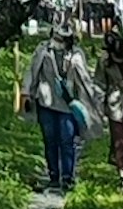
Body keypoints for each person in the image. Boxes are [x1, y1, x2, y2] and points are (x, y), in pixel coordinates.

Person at [19, 24, 93, 193]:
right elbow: (32, 72)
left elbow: (84, 79)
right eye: (57, 37)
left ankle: (67, 177)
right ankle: (53, 176)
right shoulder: (43, 51)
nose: (58, 42)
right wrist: (27, 94)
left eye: (62, 39)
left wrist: (90, 101)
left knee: (67, 140)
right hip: (46, 102)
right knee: (50, 140)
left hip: (68, 105)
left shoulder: (76, 54)